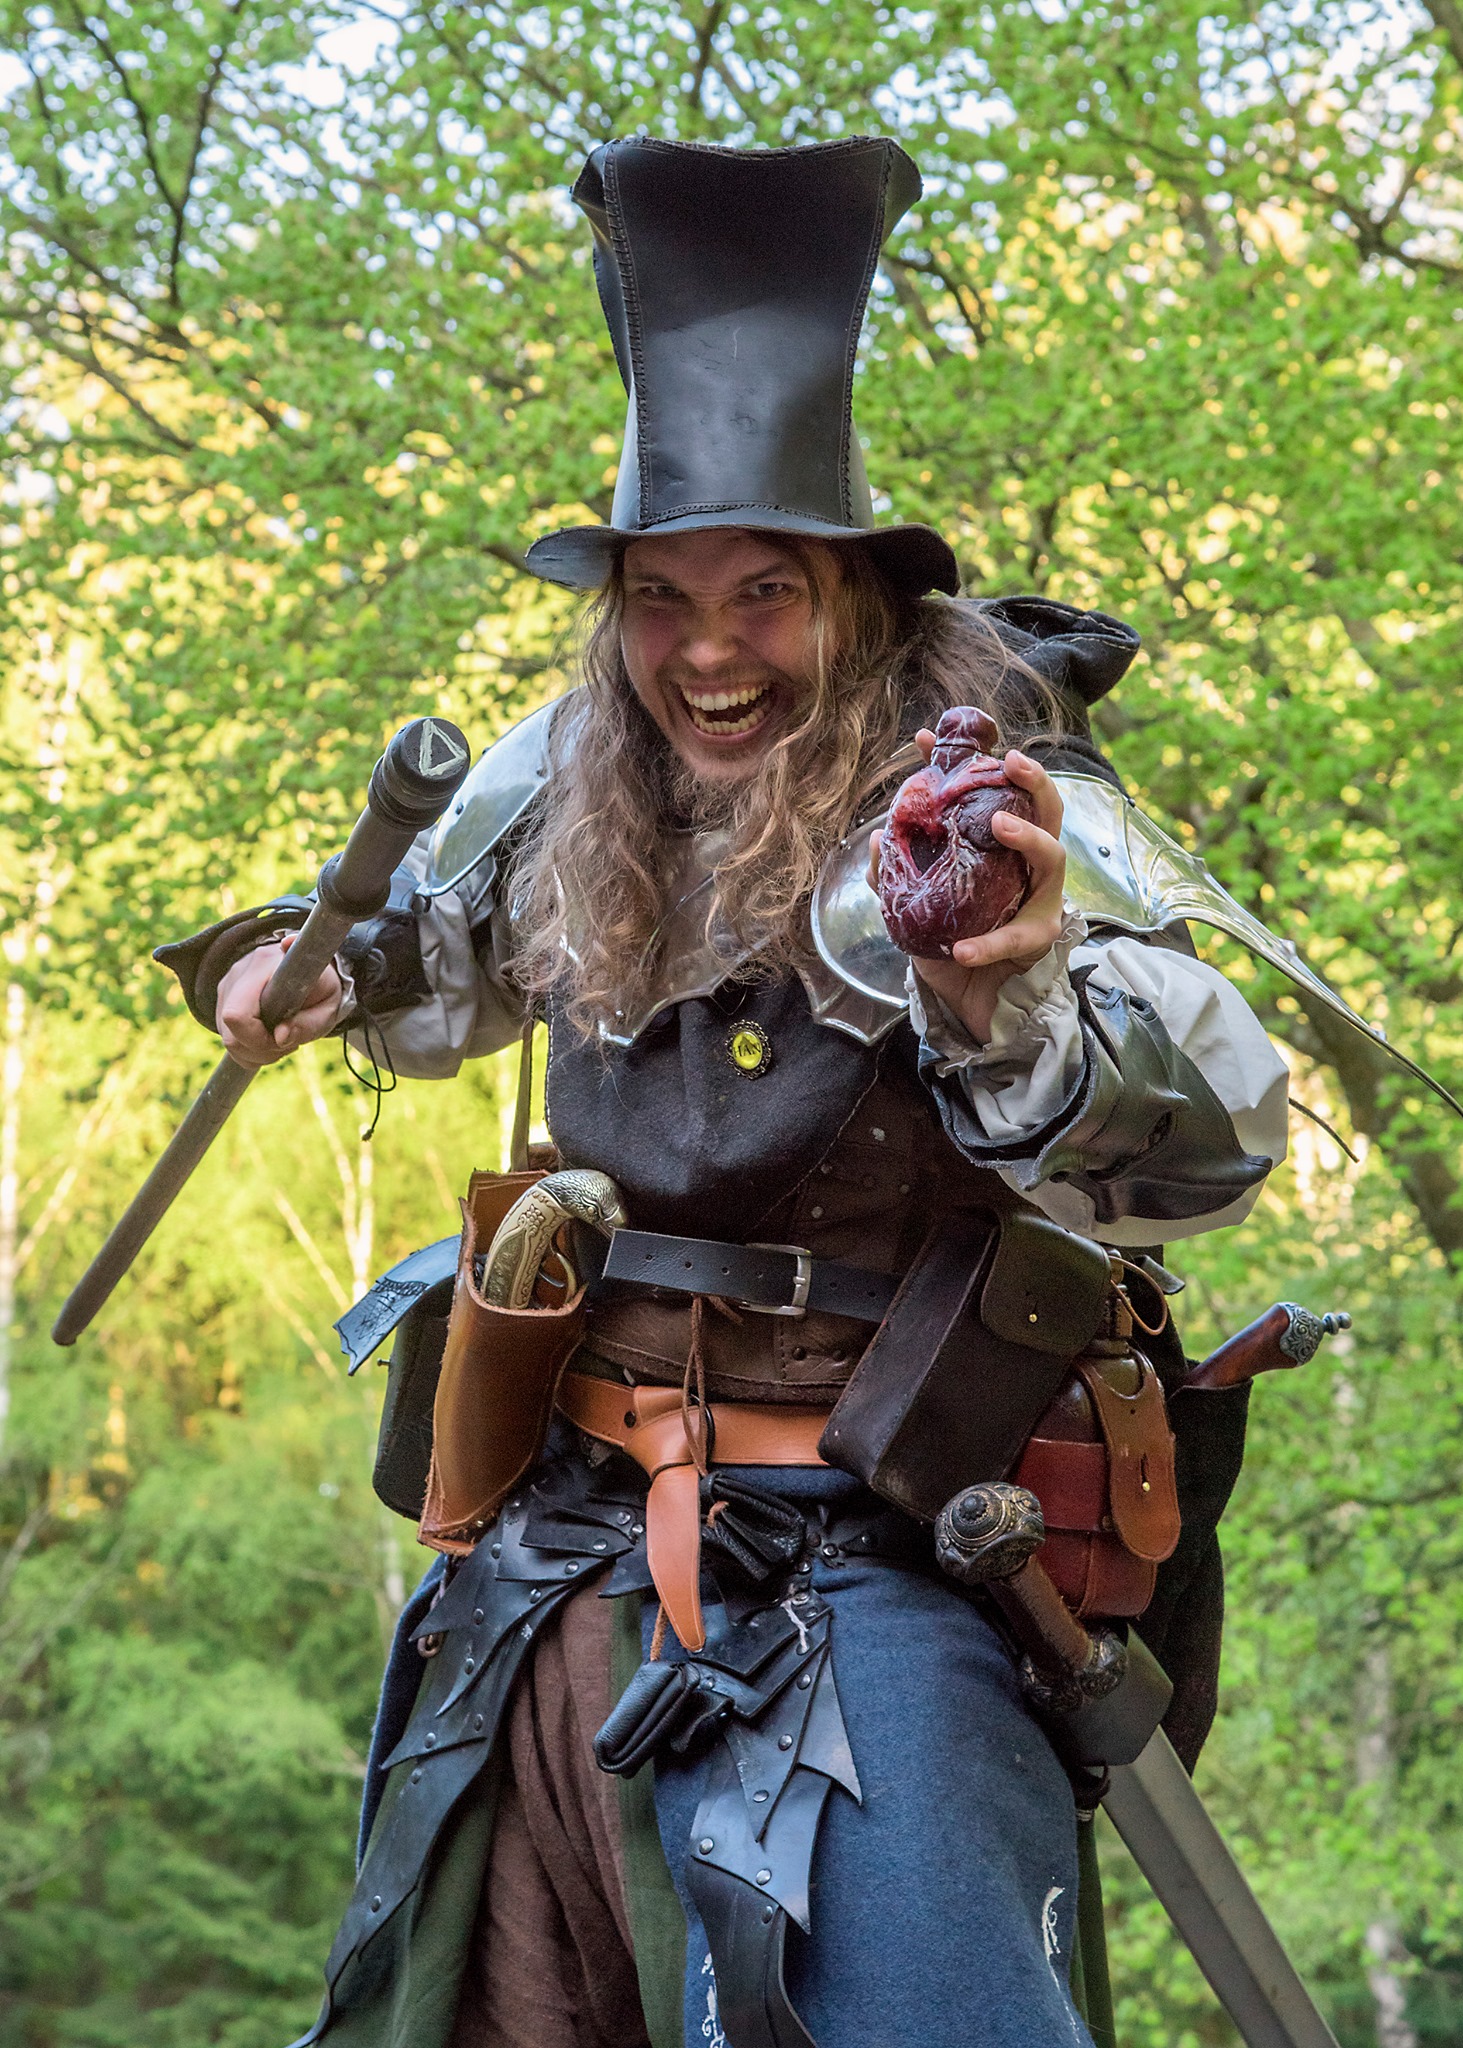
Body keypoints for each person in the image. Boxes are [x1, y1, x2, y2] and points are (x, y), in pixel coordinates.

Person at [163, 137, 1288, 2048]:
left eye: (765, 590)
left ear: (855, 594)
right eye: (660, 596)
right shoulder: (576, 768)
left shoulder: (990, 792)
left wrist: (1006, 1000)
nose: (705, 650)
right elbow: (430, 959)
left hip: (890, 1555)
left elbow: (1226, 1123)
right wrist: (309, 968)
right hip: (562, 1537)